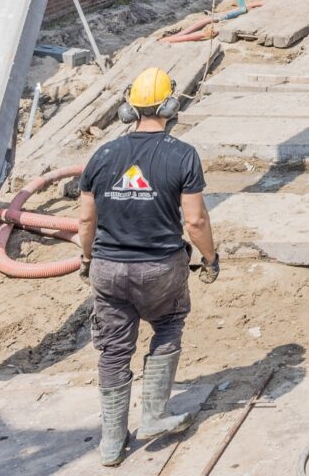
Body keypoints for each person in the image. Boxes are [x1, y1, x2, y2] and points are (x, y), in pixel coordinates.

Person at [76, 66, 218, 465]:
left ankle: (111, 442)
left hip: (107, 267)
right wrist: (210, 259)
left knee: (114, 350)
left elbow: (86, 221)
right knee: (169, 324)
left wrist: (87, 260)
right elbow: (195, 221)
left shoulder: (103, 154)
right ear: (172, 106)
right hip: (160, 268)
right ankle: (154, 415)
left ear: (128, 110)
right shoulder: (182, 155)